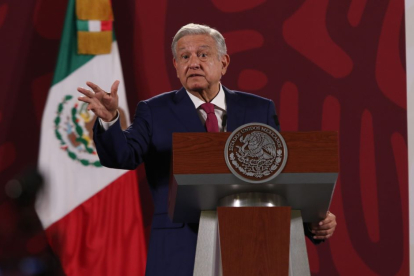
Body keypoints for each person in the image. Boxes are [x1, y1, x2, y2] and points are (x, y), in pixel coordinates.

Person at [77, 23, 337, 276]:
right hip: (180, 249)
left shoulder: (259, 109)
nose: (193, 63)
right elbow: (122, 156)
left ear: (223, 63)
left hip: (254, 245)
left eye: (203, 54)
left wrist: (311, 221)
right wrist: (110, 120)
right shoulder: (154, 111)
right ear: (176, 66)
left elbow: (277, 174)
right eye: (185, 56)